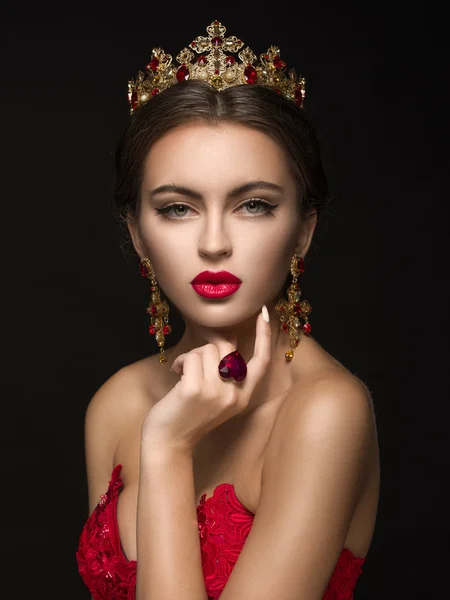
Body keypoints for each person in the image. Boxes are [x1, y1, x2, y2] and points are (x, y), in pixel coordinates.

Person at [76, 19, 380, 600]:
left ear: (303, 231)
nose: (214, 243)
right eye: (178, 209)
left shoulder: (324, 411)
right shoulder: (117, 404)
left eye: (254, 205)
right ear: (138, 235)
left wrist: (167, 449)